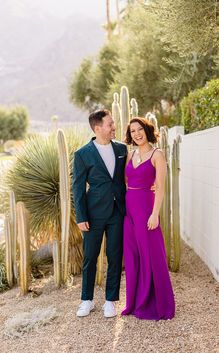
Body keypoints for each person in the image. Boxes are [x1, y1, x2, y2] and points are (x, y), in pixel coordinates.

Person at [72, 109, 127, 318]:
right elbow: (77, 188)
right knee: (90, 258)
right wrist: (81, 217)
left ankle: (110, 301)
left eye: (113, 124)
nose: (114, 127)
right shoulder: (82, 154)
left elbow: (125, 178)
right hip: (93, 215)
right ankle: (87, 300)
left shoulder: (121, 149)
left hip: (117, 213)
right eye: (110, 124)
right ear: (97, 128)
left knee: (114, 257)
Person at [121, 117, 175, 320]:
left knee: (151, 255)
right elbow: (127, 181)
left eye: (140, 129)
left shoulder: (157, 154)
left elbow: (160, 186)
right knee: (133, 257)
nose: (137, 133)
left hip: (146, 210)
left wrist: (154, 213)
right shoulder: (130, 155)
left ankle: (160, 304)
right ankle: (134, 303)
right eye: (133, 131)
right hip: (129, 212)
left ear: (147, 130)